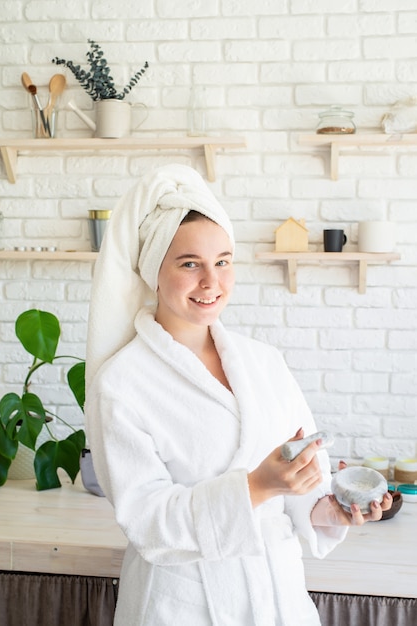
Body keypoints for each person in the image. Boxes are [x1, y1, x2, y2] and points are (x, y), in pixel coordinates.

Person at [84, 164, 392, 626]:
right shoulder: (121, 384)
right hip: (181, 604)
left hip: (277, 600)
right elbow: (146, 519)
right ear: (154, 271)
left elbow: (304, 483)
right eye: (190, 264)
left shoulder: (263, 363)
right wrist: (257, 486)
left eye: (223, 261)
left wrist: (335, 510)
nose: (212, 282)